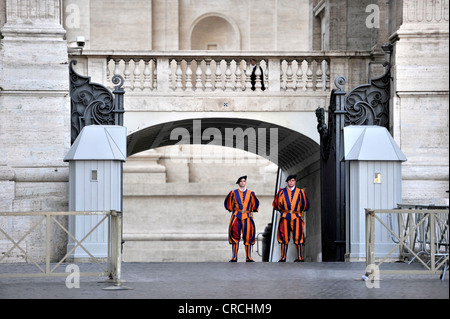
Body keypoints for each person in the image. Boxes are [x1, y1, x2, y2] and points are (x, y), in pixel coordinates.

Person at [272, 174, 310, 262]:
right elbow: (276, 204)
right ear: (287, 182)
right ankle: (283, 257)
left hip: (296, 216)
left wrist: (298, 211)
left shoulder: (300, 192)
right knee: (283, 236)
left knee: (298, 236)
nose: (291, 182)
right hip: (285, 216)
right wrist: (283, 210)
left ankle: (300, 257)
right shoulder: (281, 192)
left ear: (295, 181)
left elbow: (305, 204)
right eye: (289, 181)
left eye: (292, 181)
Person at [224, 175, 260, 262]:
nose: (243, 183)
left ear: (245, 182)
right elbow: (229, 204)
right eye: (241, 181)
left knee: (248, 236)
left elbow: (254, 205)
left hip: (247, 216)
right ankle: (234, 257)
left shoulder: (251, 193)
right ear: (238, 183)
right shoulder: (233, 193)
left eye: (244, 181)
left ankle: (248, 257)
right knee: (235, 235)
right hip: (237, 216)